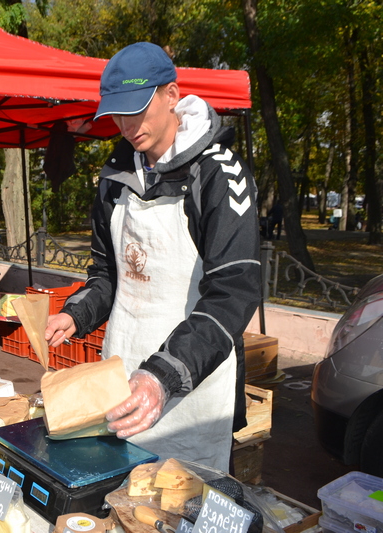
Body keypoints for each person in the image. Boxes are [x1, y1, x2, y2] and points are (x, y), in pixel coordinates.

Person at [44, 42, 261, 472]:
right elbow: (108, 274)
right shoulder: (114, 179)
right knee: (123, 495)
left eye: (138, 109)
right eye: (118, 114)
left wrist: (162, 377)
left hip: (193, 376)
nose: (127, 125)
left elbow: (233, 293)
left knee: (181, 496)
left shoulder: (218, 174)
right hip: (123, 366)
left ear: (172, 95)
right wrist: (78, 312)